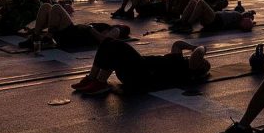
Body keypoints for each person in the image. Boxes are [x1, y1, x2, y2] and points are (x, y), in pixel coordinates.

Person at [72, 39, 210, 95]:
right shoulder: (179, 59)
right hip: (137, 69)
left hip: (142, 74)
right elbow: (177, 44)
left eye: (203, 62)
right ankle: (92, 78)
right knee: (107, 42)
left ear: (199, 67)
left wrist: (202, 48)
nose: (202, 60)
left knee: (117, 46)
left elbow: (198, 54)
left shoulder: (188, 71)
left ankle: (101, 83)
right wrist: (191, 47)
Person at [21, 3, 129, 50]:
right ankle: (36, 35)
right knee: (46, 7)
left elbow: (104, 41)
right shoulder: (107, 27)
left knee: (56, 7)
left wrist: (89, 28)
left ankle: (49, 37)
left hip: (75, 36)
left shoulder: (116, 29)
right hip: (72, 32)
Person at [172, 0, 256, 33]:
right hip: (213, 19)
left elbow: (246, 19)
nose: (247, 12)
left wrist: (250, 14)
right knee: (193, 2)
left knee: (200, 2)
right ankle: (182, 21)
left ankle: (188, 24)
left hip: (215, 20)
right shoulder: (236, 15)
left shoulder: (239, 16)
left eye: (247, 13)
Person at [111, 0, 193, 21]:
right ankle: (122, 9)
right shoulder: (170, 2)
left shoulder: (175, 8)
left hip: (149, 8)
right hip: (149, 5)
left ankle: (130, 11)